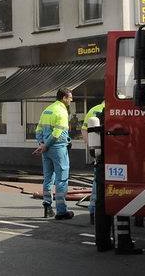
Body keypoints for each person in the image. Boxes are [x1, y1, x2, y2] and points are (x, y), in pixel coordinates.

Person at [33, 88, 74, 220]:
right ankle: (61, 211)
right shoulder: (62, 111)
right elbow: (57, 133)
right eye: (70, 98)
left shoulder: (47, 110)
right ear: (63, 98)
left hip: (46, 150)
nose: (71, 100)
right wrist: (45, 145)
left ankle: (47, 206)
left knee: (48, 177)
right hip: (58, 148)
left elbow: (38, 129)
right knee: (61, 179)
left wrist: (41, 144)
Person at [82, 101, 105, 225]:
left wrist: (93, 148)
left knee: (97, 183)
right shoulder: (114, 108)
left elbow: (84, 129)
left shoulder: (93, 109)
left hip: (99, 152)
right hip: (112, 153)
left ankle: (93, 212)